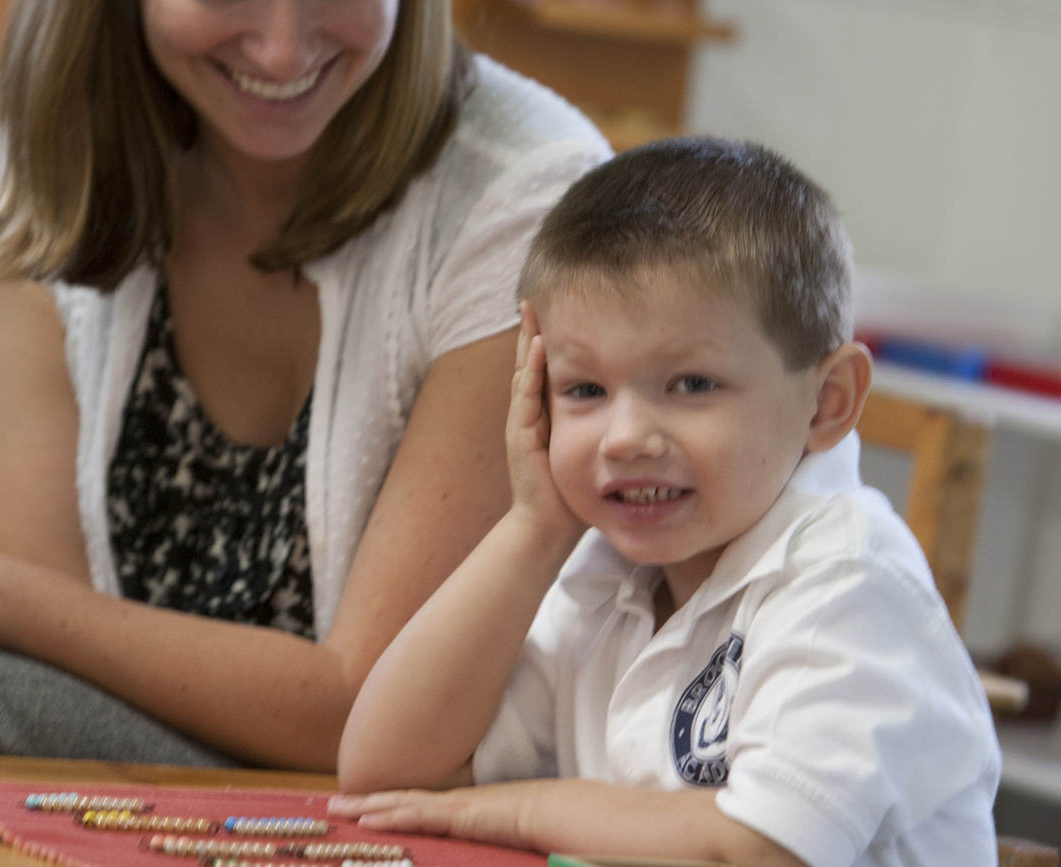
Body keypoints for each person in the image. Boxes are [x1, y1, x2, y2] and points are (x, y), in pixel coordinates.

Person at [0, 0, 611, 769]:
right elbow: (36, 652)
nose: (281, 52)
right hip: (136, 773)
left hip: (400, 789)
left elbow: (366, 715)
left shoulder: (530, 190)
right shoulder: (54, 153)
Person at [331, 137, 1002, 865]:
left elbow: (754, 850)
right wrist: (532, 528)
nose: (623, 438)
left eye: (691, 384)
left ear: (826, 402)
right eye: (583, 389)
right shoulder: (600, 574)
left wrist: (524, 808)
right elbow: (385, 769)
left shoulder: (849, 580)